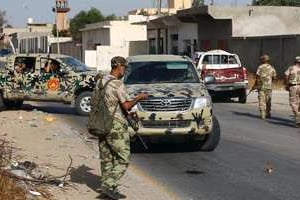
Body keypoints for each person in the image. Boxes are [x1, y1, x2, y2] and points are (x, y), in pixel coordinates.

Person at [98, 56, 148, 199]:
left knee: (107, 158)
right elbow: (126, 106)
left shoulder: (101, 81)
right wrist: (139, 97)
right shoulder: (117, 84)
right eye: (124, 67)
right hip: (115, 125)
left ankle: (109, 191)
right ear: (119, 66)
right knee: (123, 158)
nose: (124, 70)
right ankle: (108, 185)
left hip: (101, 123)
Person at [255, 54, 277, 120]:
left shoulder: (260, 67)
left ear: (263, 60)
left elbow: (257, 76)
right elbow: (275, 77)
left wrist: (257, 85)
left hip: (261, 87)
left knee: (262, 101)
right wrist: (271, 80)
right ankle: (267, 113)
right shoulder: (272, 67)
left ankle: (263, 114)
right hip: (269, 87)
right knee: (268, 101)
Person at [284, 56, 300, 127]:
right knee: (299, 103)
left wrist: (287, 85)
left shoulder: (291, 68)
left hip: (293, 86)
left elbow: (286, 75)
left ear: (295, 61)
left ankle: (298, 117)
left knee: (293, 103)